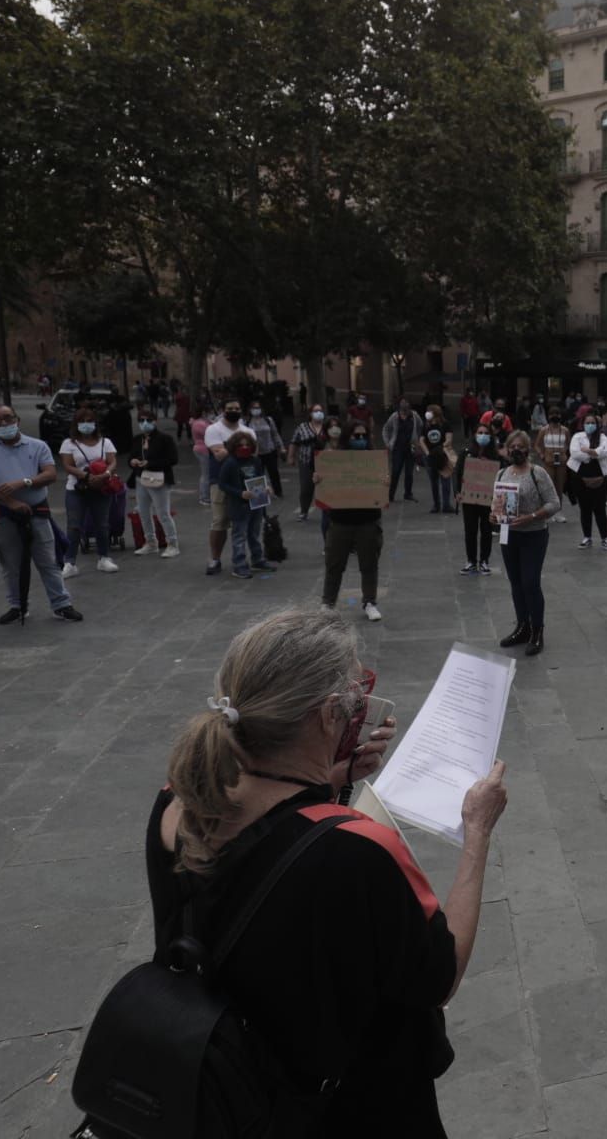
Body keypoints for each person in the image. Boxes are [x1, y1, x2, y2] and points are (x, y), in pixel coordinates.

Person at [150, 606, 508, 1136]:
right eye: (354, 701)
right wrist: (476, 833)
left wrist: (332, 777)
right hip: (347, 1106)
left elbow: (266, 837)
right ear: (326, 717)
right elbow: (440, 975)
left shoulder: (177, 799)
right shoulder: (359, 849)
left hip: (220, 1082)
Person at [0, 405, 83, 625]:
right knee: (11, 562)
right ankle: (17, 605)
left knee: (48, 560)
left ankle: (61, 604)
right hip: (2, 512)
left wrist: (24, 482)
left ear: (17, 419)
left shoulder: (37, 445)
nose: (3, 423)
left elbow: (50, 473)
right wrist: (10, 501)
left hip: (36, 510)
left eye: (7, 418)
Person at [495, 431, 562, 656]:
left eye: (520, 446)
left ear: (527, 449)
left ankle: (537, 630)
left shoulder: (537, 473)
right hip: (509, 534)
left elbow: (554, 503)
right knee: (515, 583)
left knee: (530, 582)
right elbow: (496, 502)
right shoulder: (502, 473)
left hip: (533, 534)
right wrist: (493, 515)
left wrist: (532, 516)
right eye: (511, 446)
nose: (516, 450)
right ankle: (522, 626)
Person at [314, 429, 384, 621]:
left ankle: (370, 602)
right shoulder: (334, 461)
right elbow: (324, 488)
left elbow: (383, 489)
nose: (360, 439)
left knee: (369, 563)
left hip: (368, 520)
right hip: (340, 521)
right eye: (355, 435)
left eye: (363, 436)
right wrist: (319, 481)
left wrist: (385, 483)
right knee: (334, 563)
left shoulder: (374, 460)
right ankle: (328, 603)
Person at [57, 405, 119, 577]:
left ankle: (104, 558)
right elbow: (67, 465)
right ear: (76, 424)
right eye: (82, 422)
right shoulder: (69, 444)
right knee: (74, 526)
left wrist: (105, 474)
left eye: (89, 421)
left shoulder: (105, 442)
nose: (86, 425)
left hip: (101, 488)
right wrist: (85, 476)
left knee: (102, 524)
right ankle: (69, 562)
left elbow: (113, 462)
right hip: (77, 489)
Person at [217, 429, 273, 580]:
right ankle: (239, 565)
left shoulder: (255, 461)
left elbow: (260, 476)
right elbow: (222, 484)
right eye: (241, 445)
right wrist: (239, 493)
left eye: (247, 444)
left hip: (256, 503)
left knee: (254, 534)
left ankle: (257, 559)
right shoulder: (229, 463)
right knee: (239, 536)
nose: (244, 447)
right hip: (239, 505)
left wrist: (266, 487)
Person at [125, 410, 181, 558]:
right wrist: (133, 461)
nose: (145, 423)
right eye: (141, 420)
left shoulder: (165, 439)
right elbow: (131, 456)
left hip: (159, 479)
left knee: (163, 513)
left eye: (148, 420)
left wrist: (150, 463)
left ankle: (172, 544)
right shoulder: (137, 439)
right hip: (141, 479)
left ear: (155, 421)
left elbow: (173, 459)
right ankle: (150, 542)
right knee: (143, 512)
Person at [202, 397, 247, 574]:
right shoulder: (213, 429)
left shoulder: (247, 430)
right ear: (223, 410)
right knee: (219, 521)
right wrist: (240, 445)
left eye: (237, 408)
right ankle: (215, 559)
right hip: (220, 482)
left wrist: (230, 448)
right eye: (230, 408)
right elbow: (219, 455)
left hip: (244, 482)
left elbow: (254, 453)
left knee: (243, 523)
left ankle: (242, 559)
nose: (234, 411)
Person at [455, 422, 502, 575]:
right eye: (479, 432)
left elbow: (501, 476)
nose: (482, 435)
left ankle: (484, 561)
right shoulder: (466, 453)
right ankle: (470, 561)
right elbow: (458, 473)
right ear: (475, 435)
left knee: (487, 530)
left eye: (485, 433)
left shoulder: (495, 456)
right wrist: (457, 491)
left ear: (490, 436)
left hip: (488, 499)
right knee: (470, 530)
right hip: (469, 498)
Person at [568, 414, 607, 549]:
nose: (590, 425)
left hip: (600, 476)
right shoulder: (577, 436)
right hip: (580, 477)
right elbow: (575, 453)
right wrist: (593, 454)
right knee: (585, 508)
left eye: (593, 422)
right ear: (583, 424)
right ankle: (587, 537)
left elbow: (606, 451)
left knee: (599, 508)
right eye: (587, 422)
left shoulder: (603, 437)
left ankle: (605, 538)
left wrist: (588, 451)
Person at [290, 404, 328, 521]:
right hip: (306, 461)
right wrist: (291, 456)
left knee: (327, 487)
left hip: (325, 462)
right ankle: (304, 511)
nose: (318, 413)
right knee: (306, 488)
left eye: (320, 411)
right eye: (316, 411)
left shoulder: (327, 427)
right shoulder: (302, 427)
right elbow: (294, 442)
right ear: (310, 413)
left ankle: (329, 511)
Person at [381, 399, 420, 503]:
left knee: (409, 473)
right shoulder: (394, 417)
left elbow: (420, 426)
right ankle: (390, 495)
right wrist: (388, 443)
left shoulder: (414, 416)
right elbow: (386, 429)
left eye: (406, 404)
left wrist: (417, 440)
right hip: (398, 448)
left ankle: (408, 494)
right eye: (402, 405)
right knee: (396, 471)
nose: (405, 407)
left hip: (410, 448)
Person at [244, 401, 284, 498]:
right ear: (250, 410)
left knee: (274, 472)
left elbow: (275, 434)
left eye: (258, 408)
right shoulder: (247, 422)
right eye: (254, 408)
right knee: (258, 474)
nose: (256, 410)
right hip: (256, 453)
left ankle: (278, 492)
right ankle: (259, 493)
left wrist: (281, 446)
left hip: (270, 450)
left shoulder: (268, 420)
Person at [539, 414, 572, 526]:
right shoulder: (544, 429)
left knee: (560, 487)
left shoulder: (565, 430)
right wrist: (542, 454)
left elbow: (569, 443)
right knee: (549, 486)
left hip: (561, 460)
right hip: (549, 460)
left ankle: (558, 511)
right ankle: (547, 511)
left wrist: (564, 451)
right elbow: (537, 445)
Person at [421, 425, 454, 514]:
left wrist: (439, 448)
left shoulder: (444, 424)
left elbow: (449, 439)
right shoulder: (426, 426)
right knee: (434, 481)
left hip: (442, 455)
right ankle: (436, 504)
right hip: (431, 457)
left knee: (445, 480)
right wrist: (428, 453)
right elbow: (421, 440)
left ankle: (446, 505)